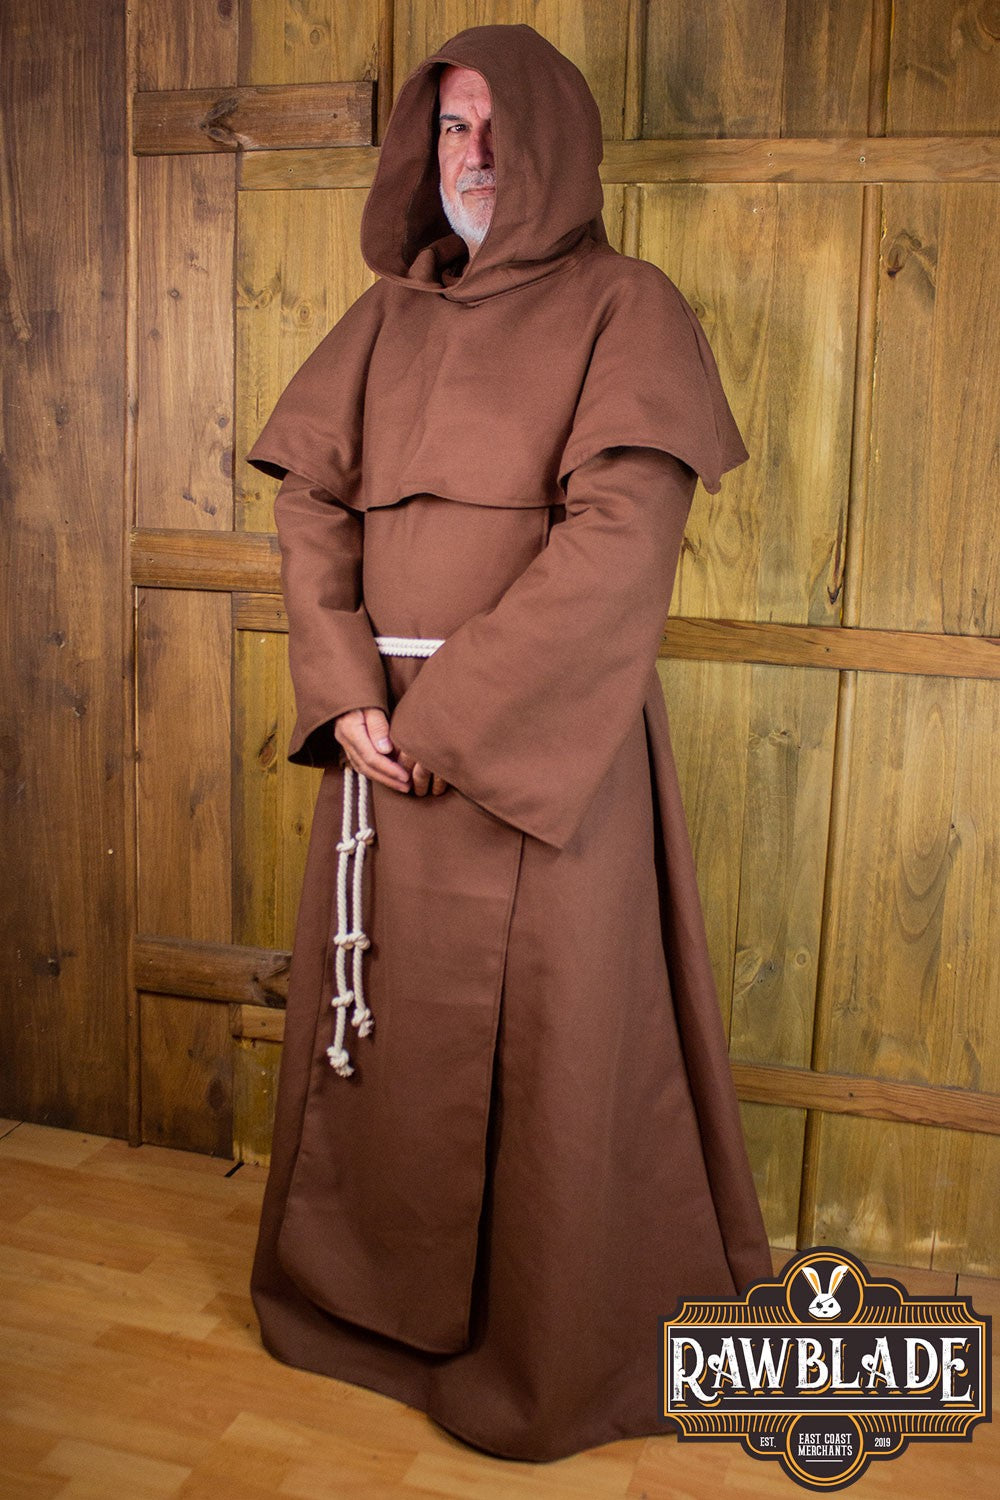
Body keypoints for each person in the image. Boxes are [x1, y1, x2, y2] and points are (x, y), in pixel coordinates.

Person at [244, 21, 773, 1464]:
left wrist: (455, 718)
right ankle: (363, 1316)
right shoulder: (383, 321)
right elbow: (309, 504)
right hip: (376, 751)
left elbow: (619, 543)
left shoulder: (627, 309)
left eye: (493, 127)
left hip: (544, 748)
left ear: (556, 144)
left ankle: (544, 1350)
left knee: (557, 1051)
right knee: (383, 1045)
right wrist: (345, 690)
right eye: (448, 127)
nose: (468, 156)